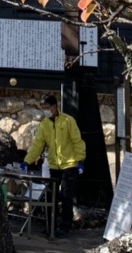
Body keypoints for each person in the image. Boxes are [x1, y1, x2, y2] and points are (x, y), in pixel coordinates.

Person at [23, 94, 86, 237]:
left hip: (69, 164)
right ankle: (50, 225)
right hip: (53, 166)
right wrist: (27, 160)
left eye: (47, 107)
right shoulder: (45, 124)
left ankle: (65, 227)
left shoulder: (68, 121)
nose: (45, 110)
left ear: (54, 107)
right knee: (51, 197)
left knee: (66, 196)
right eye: (42, 108)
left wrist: (80, 160)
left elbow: (77, 141)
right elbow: (37, 145)